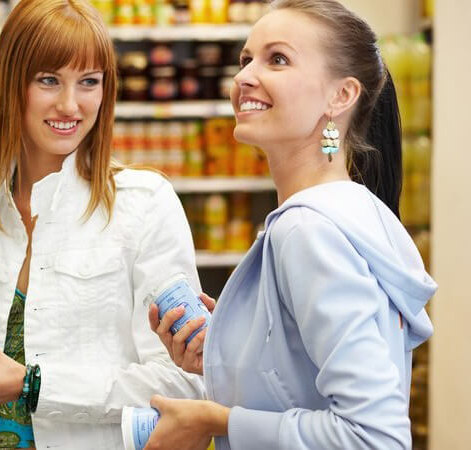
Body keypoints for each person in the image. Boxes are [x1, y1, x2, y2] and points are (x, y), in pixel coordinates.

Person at [0, 0, 204, 448]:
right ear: (12, 83)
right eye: (49, 80)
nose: (70, 104)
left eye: (88, 82)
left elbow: (183, 382)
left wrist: (33, 385)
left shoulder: (144, 205)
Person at [146, 0, 436, 449]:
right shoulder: (355, 210)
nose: (243, 77)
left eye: (277, 59)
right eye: (246, 59)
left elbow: (373, 437)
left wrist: (214, 418)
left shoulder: (308, 232)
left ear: (341, 96)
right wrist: (231, 350)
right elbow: (313, 389)